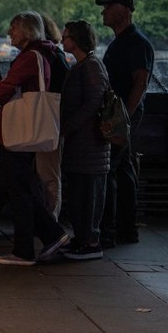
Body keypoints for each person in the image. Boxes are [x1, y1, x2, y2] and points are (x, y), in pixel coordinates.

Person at [0, 11, 69, 266]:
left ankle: (27, 248)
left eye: (14, 28)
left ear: (27, 30)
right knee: (23, 186)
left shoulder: (28, 58)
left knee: (18, 187)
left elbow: (3, 92)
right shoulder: (46, 53)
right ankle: (49, 235)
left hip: (18, 132)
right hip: (29, 131)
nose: (9, 33)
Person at [96, 0, 155, 247]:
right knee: (124, 170)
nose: (104, 11)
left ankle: (108, 231)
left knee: (109, 169)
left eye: (109, 6)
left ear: (125, 10)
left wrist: (124, 120)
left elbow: (140, 84)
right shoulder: (128, 42)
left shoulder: (134, 44)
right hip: (123, 114)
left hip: (122, 116)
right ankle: (125, 229)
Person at [59, 20, 110, 260]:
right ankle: (83, 239)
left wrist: (70, 126)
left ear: (77, 39)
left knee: (88, 194)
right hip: (83, 145)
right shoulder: (85, 65)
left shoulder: (90, 66)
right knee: (81, 193)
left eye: (66, 36)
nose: (62, 40)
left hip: (89, 144)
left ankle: (90, 242)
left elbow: (94, 101)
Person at [35, 13, 71, 220]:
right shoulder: (57, 56)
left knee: (48, 176)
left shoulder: (48, 57)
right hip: (53, 122)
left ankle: (50, 224)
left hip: (49, 123)